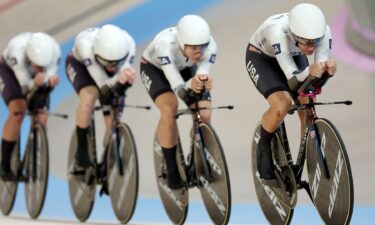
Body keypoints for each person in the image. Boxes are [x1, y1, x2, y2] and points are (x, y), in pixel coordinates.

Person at [245, 3, 337, 187]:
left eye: (315, 41)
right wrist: (312, 71)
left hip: (293, 55)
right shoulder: (276, 30)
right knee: (283, 104)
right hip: (262, 58)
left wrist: (326, 72)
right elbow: (293, 80)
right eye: (306, 41)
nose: (311, 48)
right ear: (294, 34)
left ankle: (309, 158)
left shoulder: (324, 32)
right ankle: (263, 148)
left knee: (308, 104)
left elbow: (313, 82)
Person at [140, 15, 217, 189]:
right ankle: (172, 168)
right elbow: (177, 85)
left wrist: (201, 80)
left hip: (185, 68)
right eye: (195, 48)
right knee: (169, 108)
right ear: (182, 43)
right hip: (156, 70)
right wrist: (192, 85)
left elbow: (201, 74)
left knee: (204, 112)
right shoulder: (164, 45)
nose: (200, 52)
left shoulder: (211, 46)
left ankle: (198, 150)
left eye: (203, 47)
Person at [65, 24, 136, 171]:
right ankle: (82, 148)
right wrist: (119, 80)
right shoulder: (85, 46)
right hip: (82, 66)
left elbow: (119, 79)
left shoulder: (129, 44)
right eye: (108, 63)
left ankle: (108, 153)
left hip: (107, 72)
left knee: (113, 121)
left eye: (115, 63)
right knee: (89, 96)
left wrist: (125, 82)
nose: (111, 66)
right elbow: (102, 85)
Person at [0, 32, 61, 180]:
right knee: (18, 109)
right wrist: (35, 83)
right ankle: (4, 164)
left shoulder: (54, 52)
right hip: (9, 71)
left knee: (42, 116)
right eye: (37, 66)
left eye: (43, 67)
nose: (40, 69)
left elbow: (45, 86)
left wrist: (50, 85)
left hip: (32, 78)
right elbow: (25, 89)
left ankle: (34, 154)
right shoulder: (17, 52)